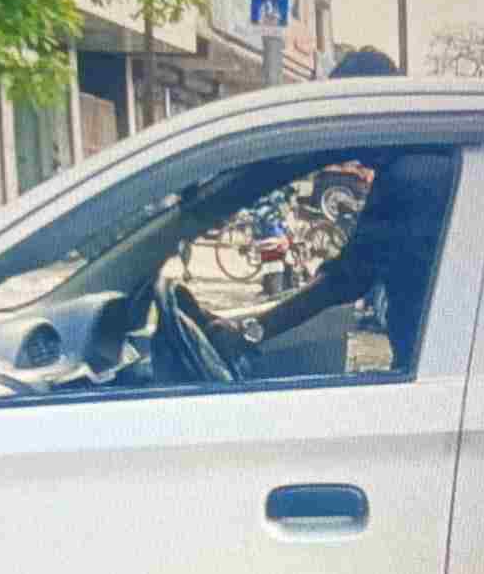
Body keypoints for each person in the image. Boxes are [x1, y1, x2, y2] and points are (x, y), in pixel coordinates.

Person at [186, 45, 457, 375]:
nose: (345, 138)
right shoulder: (433, 159)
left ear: (371, 110)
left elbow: (348, 278)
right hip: (441, 367)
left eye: (347, 117)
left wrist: (250, 332)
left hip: (441, 374)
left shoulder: (412, 176)